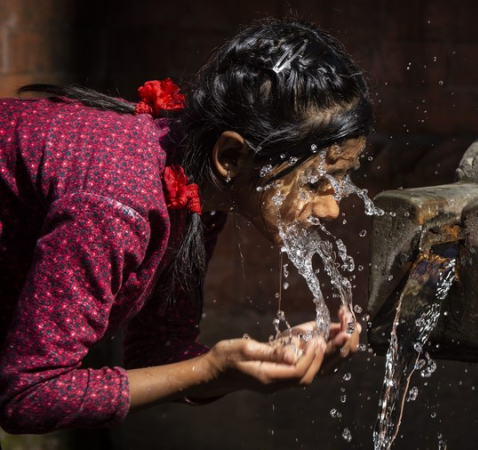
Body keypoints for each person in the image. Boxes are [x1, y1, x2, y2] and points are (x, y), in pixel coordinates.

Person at [0, 18, 372, 434]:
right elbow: (29, 394)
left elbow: (156, 349)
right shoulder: (118, 205)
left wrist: (259, 359)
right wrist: (210, 371)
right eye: (314, 181)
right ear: (230, 156)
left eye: (337, 182)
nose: (331, 208)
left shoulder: (197, 191)